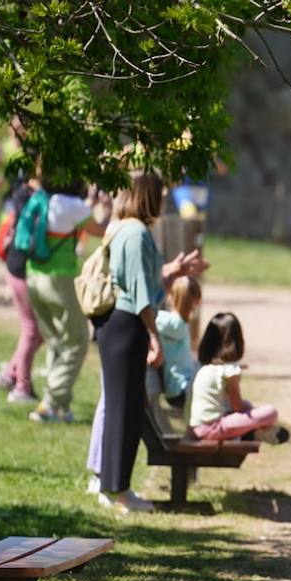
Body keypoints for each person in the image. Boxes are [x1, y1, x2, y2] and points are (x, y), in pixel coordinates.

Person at [93, 172, 209, 511]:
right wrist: (154, 337)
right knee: (125, 409)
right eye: (160, 193)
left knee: (123, 407)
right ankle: (119, 491)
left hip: (117, 324)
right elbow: (142, 296)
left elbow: (140, 281)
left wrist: (171, 272)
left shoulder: (122, 228)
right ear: (149, 196)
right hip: (128, 324)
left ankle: (112, 486)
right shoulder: (138, 232)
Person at [17, 178, 98, 424]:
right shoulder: (71, 203)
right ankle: (51, 402)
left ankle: (58, 407)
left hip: (33, 276)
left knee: (56, 340)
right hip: (60, 279)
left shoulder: (41, 198)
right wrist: (99, 205)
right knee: (78, 341)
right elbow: (101, 229)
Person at [188, 313, 288, 443]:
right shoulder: (229, 370)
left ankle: (254, 433)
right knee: (270, 412)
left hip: (196, 427)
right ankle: (254, 432)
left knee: (248, 407)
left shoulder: (204, 369)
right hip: (213, 429)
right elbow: (237, 406)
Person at [0, 175, 40, 406]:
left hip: (17, 267)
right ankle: (22, 387)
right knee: (32, 329)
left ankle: (11, 373)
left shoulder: (24, 194)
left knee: (36, 330)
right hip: (20, 269)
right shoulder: (31, 196)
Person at [157, 276, 203, 409]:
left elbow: (149, 314)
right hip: (180, 387)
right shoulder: (176, 324)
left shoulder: (172, 322)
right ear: (194, 302)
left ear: (171, 296)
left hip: (180, 387)